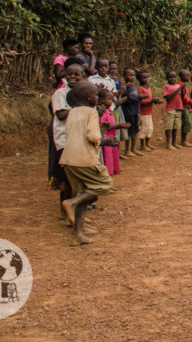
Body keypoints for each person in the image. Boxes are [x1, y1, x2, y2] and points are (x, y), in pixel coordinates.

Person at [60, 81, 113, 246]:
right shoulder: (91, 112)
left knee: (82, 193)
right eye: (96, 95)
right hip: (84, 158)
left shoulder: (72, 112)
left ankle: (78, 233)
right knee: (104, 184)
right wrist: (104, 140)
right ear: (89, 97)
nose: (97, 98)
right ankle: (71, 203)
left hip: (68, 158)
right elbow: (93, 137)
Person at [50, 60, 85, 223]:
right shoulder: (60, 93)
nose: (72, 76)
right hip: (65, 140)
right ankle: (65, 211)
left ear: (82, 76)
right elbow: (61, 115)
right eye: (69, 73)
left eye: (76, 74)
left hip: (79, 139)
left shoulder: (83, 93)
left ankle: (73, 210)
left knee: (76, 178)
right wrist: (82, 110)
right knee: (66, 178)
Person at [97, 89, 125, 175]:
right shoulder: (101, 113)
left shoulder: (109, 111)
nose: (112, 102)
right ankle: (108, 174)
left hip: (112, 136)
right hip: (105, 138)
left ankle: (113, 170)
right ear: (101, 100)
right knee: (107, 157)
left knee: (113, 155)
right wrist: (118, 126)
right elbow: (104, 127)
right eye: (110, 99)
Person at [120, 68, 143, 157]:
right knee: (129, 132)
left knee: (135, 131)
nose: (132, 77)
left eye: (133, 75)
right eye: (130, 75)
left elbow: (135, 99)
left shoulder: (133, 86)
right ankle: (127, 150)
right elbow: (129, 99)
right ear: (125, 76)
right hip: (128, 112)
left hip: (134, 111)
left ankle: (134, 148)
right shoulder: (125, 87)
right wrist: (140, 97)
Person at [161, 70, 185, 150]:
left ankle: (174, 143)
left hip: (178, 108)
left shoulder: (178, 86)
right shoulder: (166, 86)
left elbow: (181, 96)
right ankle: (168, 144)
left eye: (174, 77)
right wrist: (178, 89)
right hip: (170, 109)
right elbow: (168, 97)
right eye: (170, 77)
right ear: (167, 78)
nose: (172, 78)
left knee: (176, 127)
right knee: (169, 127)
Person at [136, 71, 159, 152]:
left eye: (146, 77)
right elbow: (141, 101)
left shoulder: (148, 87)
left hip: (149, 112)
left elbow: (150, 98)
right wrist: (151, 100)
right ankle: (142, 145)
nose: (146, 79)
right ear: (139, 79)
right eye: (143, 78)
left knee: (150, 128)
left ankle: (148, 143)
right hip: (143, 112)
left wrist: (155, 101)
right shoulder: (139, 89)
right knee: (144, 129)